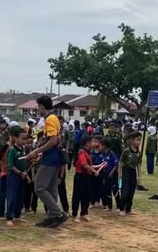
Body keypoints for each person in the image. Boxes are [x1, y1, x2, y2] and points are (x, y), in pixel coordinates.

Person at [26, 95, 68, 228]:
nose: (37, 108)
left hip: (51, 158)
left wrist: (36, 151)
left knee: (39, 187)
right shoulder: (53, 118)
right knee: (51, 188)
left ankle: (57, 213)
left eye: (38, 106)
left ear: (42, 106)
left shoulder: (50, 119)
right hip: (53, 157)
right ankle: (52, 216)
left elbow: (53, 141)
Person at [72, 134, 97, 221]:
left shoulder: (88, 152)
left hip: (87, 176)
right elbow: (84, 165)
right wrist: (94, 171)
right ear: (87, 143)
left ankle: (84, 213)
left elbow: (90, 165)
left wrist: (98, 166)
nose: (93, 144)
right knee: (77, 196)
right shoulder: (82, 152)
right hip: (80, 177)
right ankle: (75, 214)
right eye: (92, 142)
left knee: (86, 195)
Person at [6, 129, 28, 227]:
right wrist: (20, 172)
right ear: (15, 138)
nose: (24, 141)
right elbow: (10, 165)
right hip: (14, 176)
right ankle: (9, 217)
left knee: (20, 195)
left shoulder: (22, 150)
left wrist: (25, 174)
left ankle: (17, 215)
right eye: (22, 139)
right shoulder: (12, 150)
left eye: (25, 139)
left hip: (22, 176)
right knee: (12, 195)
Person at [119, 131, 141, 216]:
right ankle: (121, 208)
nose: (138, 142)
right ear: (131, 140)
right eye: (137, 140)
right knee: (125, 190)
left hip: (133, 171)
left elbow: (138, 164)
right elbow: (120, 162)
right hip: (126, 171)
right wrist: (120, 173)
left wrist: (139, 176)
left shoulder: (138, 152)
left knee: (132, 190)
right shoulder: (127, 151)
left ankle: (128, 208)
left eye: (140, 140)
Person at [98, 136, 119, 210]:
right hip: (106, 175)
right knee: (107, 190)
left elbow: (116, 164)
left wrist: (112, 172)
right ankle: (109, 206)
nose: (99, 147)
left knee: (115, 190)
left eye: (100, 145)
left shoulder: (111, 153)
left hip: (113, 175)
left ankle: (119, 206)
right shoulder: (103, 154)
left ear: (104, 146)